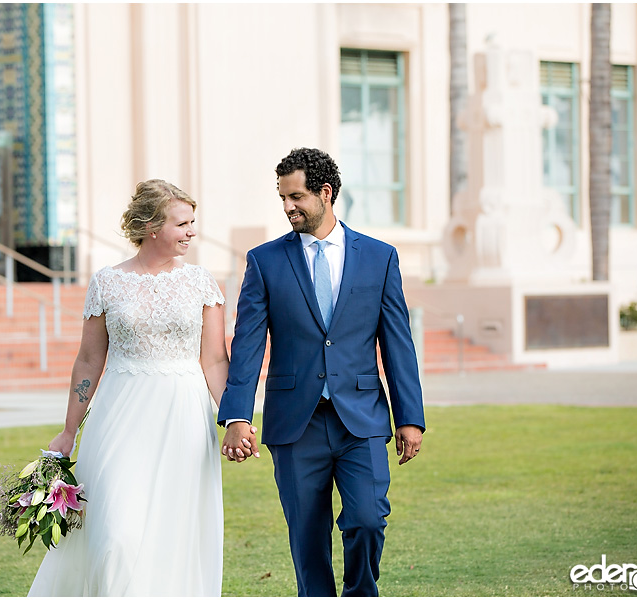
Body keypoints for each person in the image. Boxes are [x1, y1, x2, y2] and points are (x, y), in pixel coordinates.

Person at [217, 148, 426, 597]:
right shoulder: (265, 261)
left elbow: (397, 343)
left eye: (296, 196)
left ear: (325, 193)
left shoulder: (379, 257)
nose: (288, 206)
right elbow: (249, 343)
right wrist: (237, 415)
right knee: (307, 539)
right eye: (282, 198)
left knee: (368, 520)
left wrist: (409, 416)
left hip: (363, 419)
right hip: (296, 423)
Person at [28, 179, 233, 596]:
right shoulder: (107, 282)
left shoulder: (201, 282)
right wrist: (68, 431)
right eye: (183, 224)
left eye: (193, 222)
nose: (192, 231)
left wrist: (235, 420)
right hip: (120, 415)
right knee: (114, 535)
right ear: (152, 227)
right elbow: (88, 360)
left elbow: (213, 359)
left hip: (183, 415)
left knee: (172, 532)